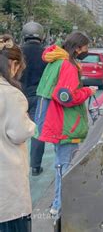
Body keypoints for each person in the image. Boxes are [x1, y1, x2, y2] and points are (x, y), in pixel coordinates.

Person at [35, 31, 96, 217]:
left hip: (53, 120)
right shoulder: (67, 65)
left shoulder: (56, 60)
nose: (87, 50)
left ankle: (58, 205)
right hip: (65, 124)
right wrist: (87, 91)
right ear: (78, 47)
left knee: (61, 165)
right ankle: (60, 207)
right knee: (65, 167)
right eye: (85, 47)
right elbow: (65, 96)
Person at [0, 35, 36, 231]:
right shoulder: (10, 94)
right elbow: (19, 132)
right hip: (6, 187)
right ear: (12, 64)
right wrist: (32, 125)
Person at [20, 21, 48, 176]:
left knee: (15, 130)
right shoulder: (46, 54)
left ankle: (18, 164)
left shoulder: (16, 52)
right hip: (39, 97)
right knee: (38, 132)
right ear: (42, 36)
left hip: (18, 95)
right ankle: (35, 166)